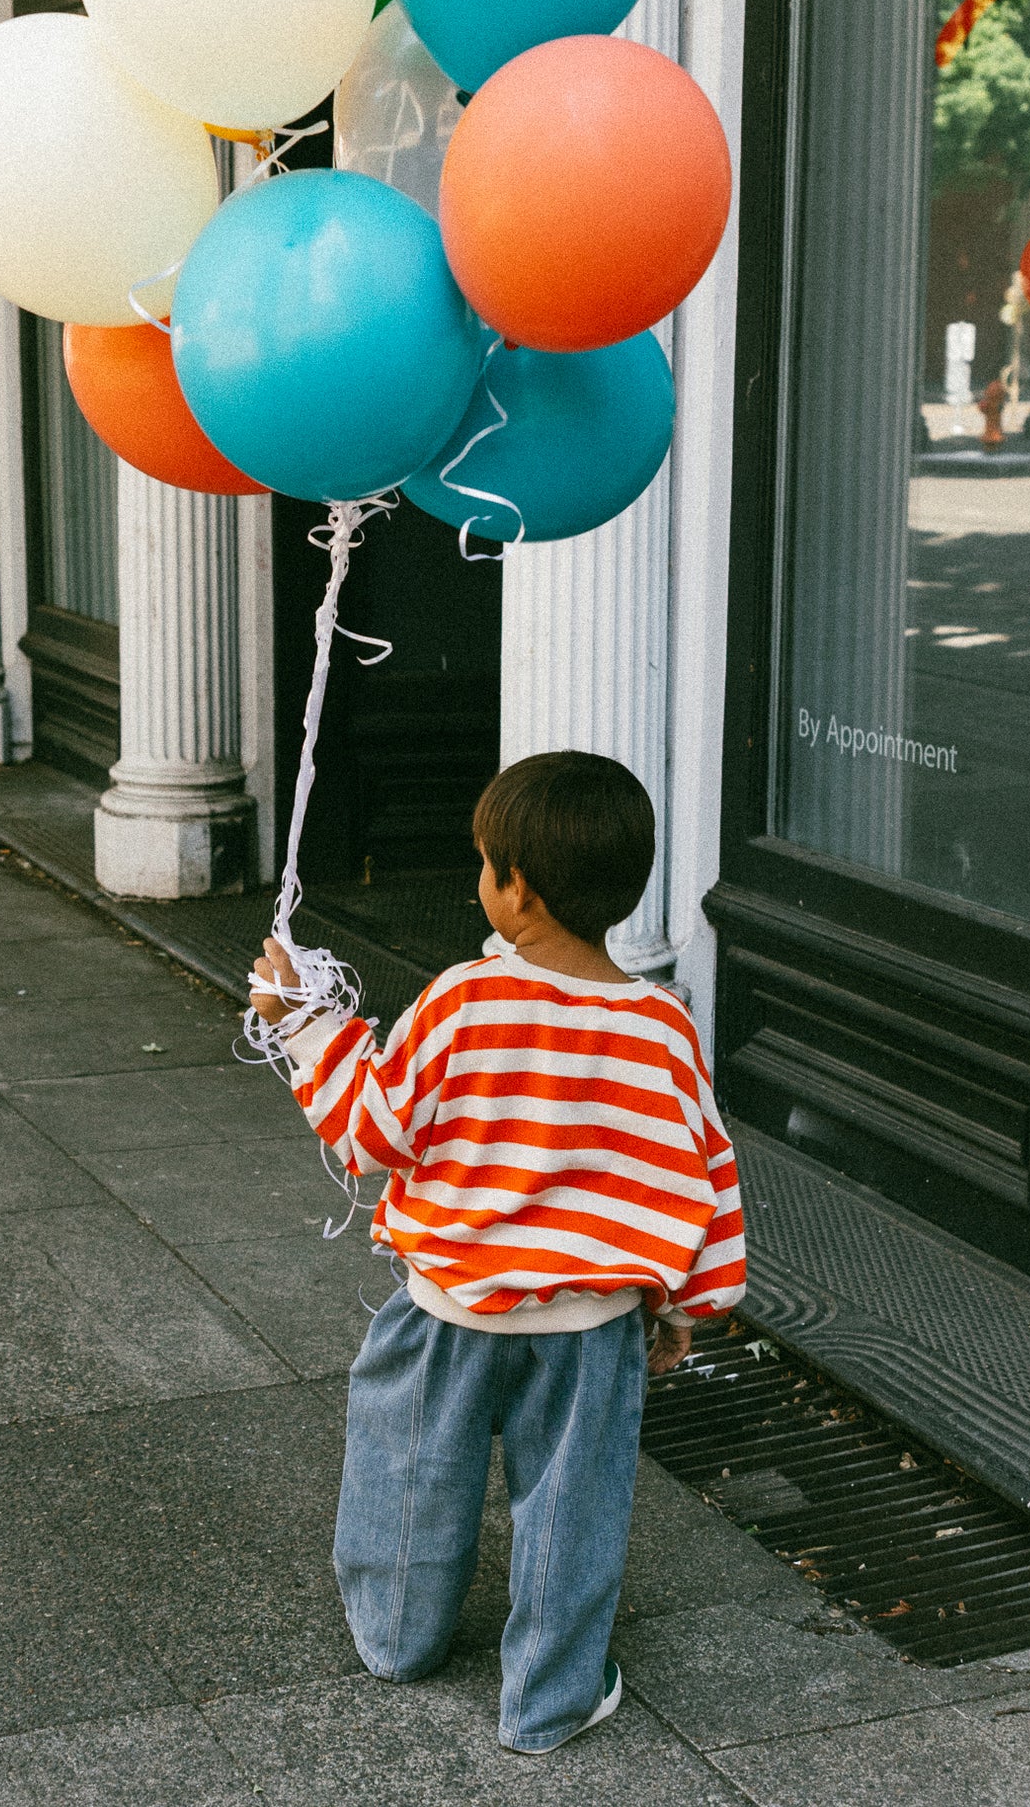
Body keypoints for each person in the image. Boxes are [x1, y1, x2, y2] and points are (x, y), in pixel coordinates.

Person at [250, 749, 746, 1755]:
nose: (479, 878)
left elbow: (373, 1132)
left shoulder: (461, 1001)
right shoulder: (662, 1030)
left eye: (482, 861)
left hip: (445, 1309)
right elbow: (700, 1173)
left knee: (405, 1473)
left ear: (513, 886)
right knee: (572, 1512)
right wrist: (685, 1307)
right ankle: (548, 1699)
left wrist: (304, 1028)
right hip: (591, 1328)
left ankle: (394, 1636)